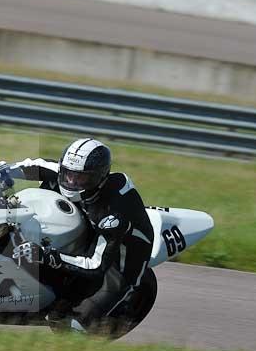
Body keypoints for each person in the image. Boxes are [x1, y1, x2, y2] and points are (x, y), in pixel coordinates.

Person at [8, 138, 154, 334]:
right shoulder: (62, 171)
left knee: (68, 325)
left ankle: (119, 305)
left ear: (99, 177)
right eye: (68, 175)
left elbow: (96, 265)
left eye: (81, 178)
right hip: (88, 227)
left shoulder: (112, 214)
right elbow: (29, 165)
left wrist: (49, 256)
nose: (72, 182)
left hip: (120, 257)